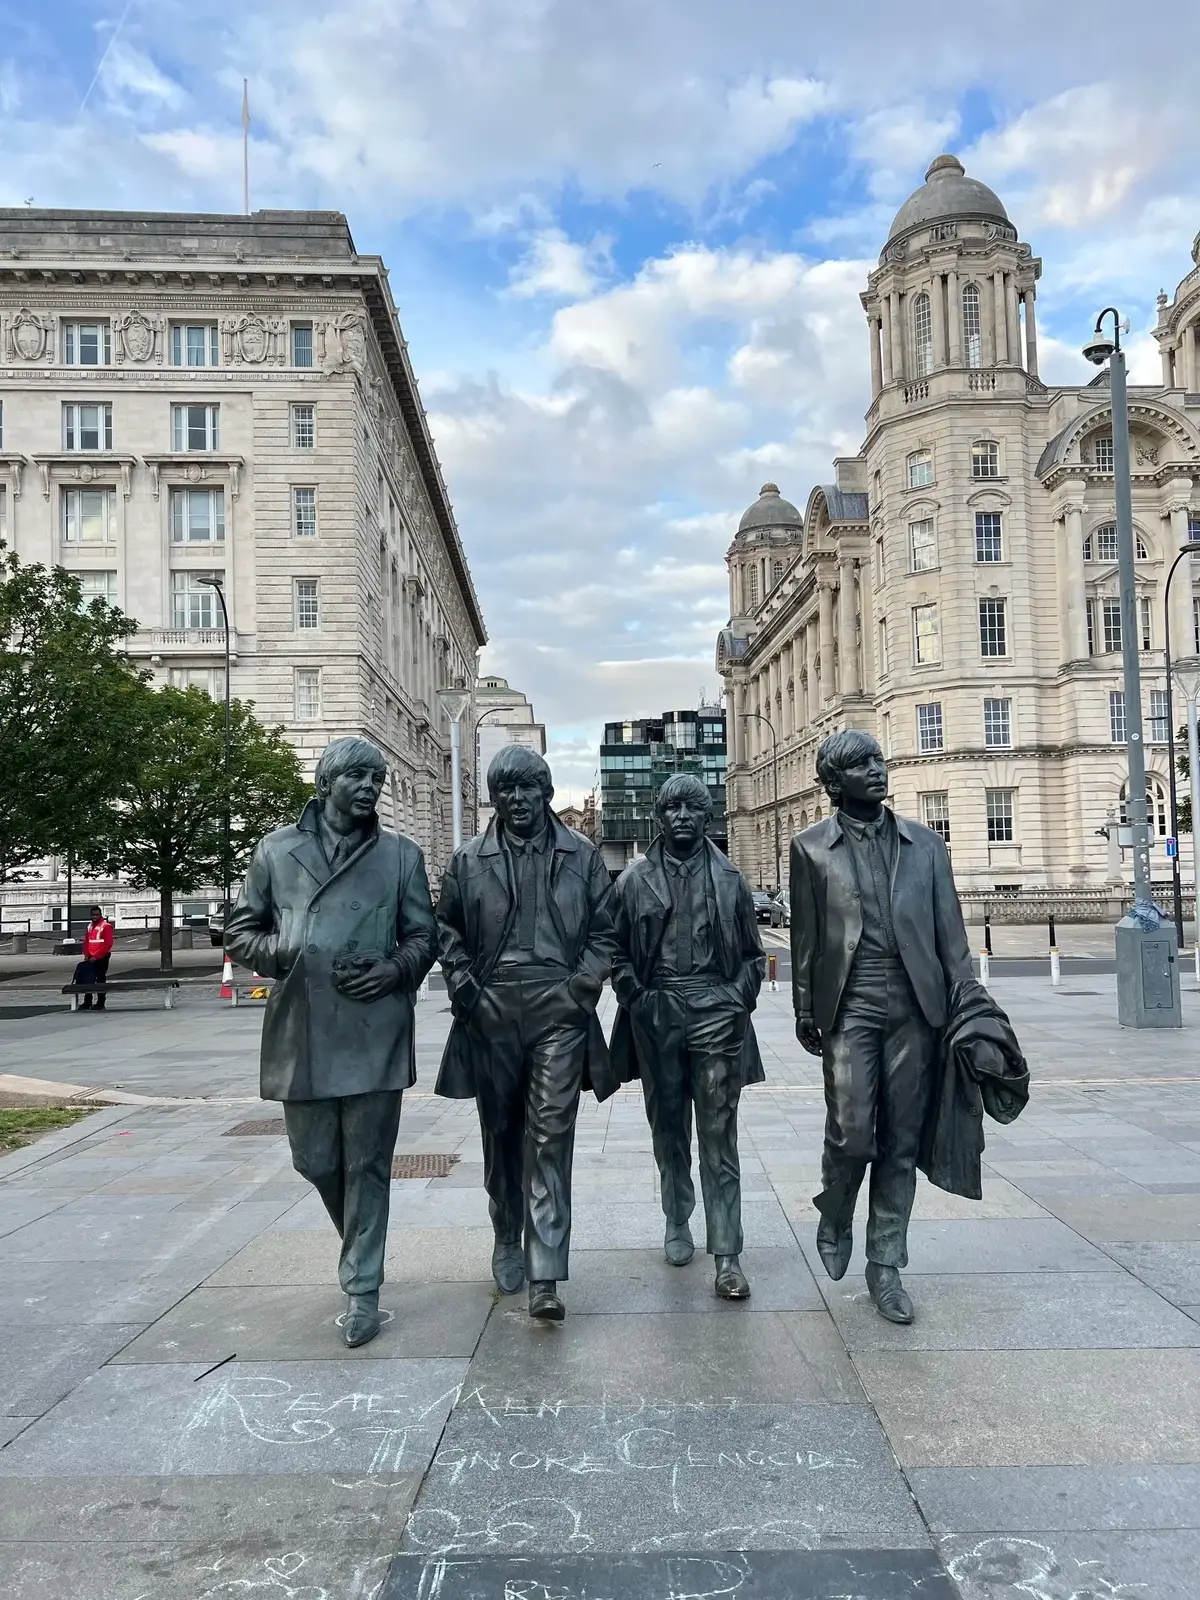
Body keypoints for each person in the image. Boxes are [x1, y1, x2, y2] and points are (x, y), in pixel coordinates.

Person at [226, 736, 437, 1348]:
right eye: (357, 777)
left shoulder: (400, 856)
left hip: (375, 1025)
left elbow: (424, 936)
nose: (370, 788)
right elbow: (240, 931)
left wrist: (395, 969)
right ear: (326, 784)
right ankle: (360, 1248)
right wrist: (287, 950)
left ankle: (362, 1286)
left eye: (377, 779)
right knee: (315, 1160)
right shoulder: (276, 850)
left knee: (367, 1164)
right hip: (303, 1025)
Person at [790, 729, 974, 1324]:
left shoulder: (926, 846)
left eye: (877, 759)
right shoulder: (810, 847)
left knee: (900, 1140)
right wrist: (803, 1008)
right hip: (850, 1002)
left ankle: (886, 1263)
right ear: (833, 782)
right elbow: (806, 938)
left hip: (916, 1005)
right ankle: (836, 1208)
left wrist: (967, 1004)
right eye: (860, 764)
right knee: (852, 1135)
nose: (877, 769)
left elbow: (951, 937)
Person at [435, 745, 616, 1322]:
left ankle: (546, 1273)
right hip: (492, 1006)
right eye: (506, 790)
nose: (517, 799)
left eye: (528, 788)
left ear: (547, 792)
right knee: (501, 1132)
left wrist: (581, 988)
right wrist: (467, 991)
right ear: (494, 798)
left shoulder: (582, 855)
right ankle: (506, 1232)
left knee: (550, 1135)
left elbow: (606, 931)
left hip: (558, 1007)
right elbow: (446, 931)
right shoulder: (468, 861)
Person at [610, 774, 766, 1299]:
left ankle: (727, 1254)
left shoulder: (731, 879)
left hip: (715, 1010)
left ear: (707, 816)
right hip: (657, 1011)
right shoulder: (633, 881)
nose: (682, 816)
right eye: (672, 808)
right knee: (668, 1127)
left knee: (719, 1135)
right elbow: (613, 950)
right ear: (659, 817)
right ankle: (677, 1217)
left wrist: (735, 999)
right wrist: (638, 999)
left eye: (692, 808)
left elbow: (753, 956)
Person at [75, 905, 114, 1011]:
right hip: (91, 957)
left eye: (97, 915)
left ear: (100, 915)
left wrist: (97, 956)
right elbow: (87, 942)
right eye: (93, 915)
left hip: (102, 957)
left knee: (100, 979)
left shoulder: (106, 926)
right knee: (88, 979)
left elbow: (108, 944)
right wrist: (86, 955)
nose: (94, 917)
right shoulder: (90, 926)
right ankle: (87, 1002)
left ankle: (100, 1003)